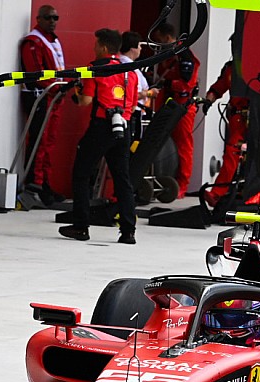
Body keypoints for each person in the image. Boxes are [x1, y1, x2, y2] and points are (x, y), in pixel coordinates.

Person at [59, 28, 138, 245]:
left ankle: (81, 226)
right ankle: (128, 232)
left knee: (81, 174)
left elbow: (85, 101)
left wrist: (76, 91)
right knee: (122, 180)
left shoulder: (95, 70)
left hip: (102, 127)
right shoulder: (129, 72)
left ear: (103, 47)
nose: (93, 48)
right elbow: (131, 101)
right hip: (123, 126)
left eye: (95, 45)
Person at [20, 5, 65, 206]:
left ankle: (44, 184)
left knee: (49, 143)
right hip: (40, 96)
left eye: (56, 17)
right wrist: (57, 88)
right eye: (48, 17)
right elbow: (35, 74)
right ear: (38, 19)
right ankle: (34, 185)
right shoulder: (33, 41)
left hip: (54, 96)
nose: (53, 21)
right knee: (39, 141)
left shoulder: (53, 40)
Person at [154, 22, 200, 197]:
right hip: (169, 104)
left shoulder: (183, 54)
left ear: (167, 38)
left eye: (160, 40)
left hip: (182, 106)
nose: (159, 44)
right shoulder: (170, 54)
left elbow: (186, 84)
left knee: (183, 146)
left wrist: (165, 83)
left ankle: (182, 185)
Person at [203, 50, 250, 207]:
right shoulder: (231, 68)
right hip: (237, 118)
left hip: (257, 117)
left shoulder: (258, 65)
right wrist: (208, 101)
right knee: (231, 153)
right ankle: (217, 194)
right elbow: (218, 87)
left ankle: (253, 193)